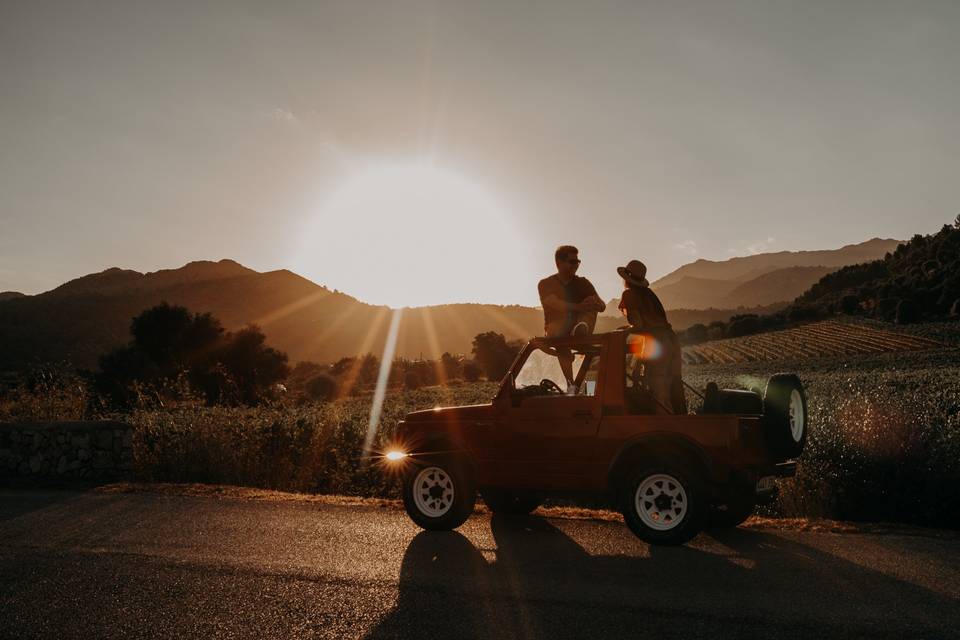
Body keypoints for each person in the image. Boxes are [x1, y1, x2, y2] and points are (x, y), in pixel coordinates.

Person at [617, 260, 685, 414]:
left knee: (658, 392)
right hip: (670, 341)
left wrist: (624, 331)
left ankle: (665, 431)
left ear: (626, 279)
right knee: (669, 386)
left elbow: (638, 324)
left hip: (657, 345)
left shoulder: (629, 294)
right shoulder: (649, 294)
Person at [538, 245, 606, 394]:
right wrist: (580, 307)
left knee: (592, 356)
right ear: (558, 263)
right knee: (562, 341)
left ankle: (588, 392)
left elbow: (602, 305)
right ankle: (572, 386)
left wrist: (595, 303)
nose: (576, 265)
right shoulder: (545, 284)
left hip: (577, 328)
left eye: (577, 262)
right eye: (572, 262)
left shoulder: (583, 283)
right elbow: (554, 303)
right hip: (556, 329)